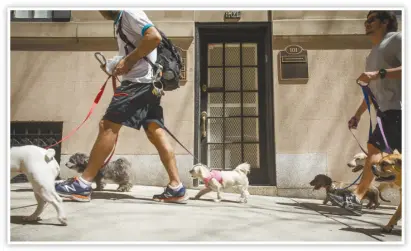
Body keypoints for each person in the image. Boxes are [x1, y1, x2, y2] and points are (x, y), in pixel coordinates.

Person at [55, 10, 188, 203]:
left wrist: (128, 61)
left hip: (138, 83)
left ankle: (83, 184)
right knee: (154, 131)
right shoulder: (122, 20)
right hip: (148, 84)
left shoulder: (129, 12)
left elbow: (153, 37)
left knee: (108, 126)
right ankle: (176, 187)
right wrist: (115, 64)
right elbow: (135, 51)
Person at [328, 11, 402, 215]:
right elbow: (371, 91)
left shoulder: (398, 39)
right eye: (365, 21)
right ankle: (357, 197)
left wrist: (378, 73)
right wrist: (358, 114)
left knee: (375, 150)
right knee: (374, 150)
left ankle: (358, 197)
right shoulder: (372, 53)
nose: (366, 24)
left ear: (386, 22)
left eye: (371, 20)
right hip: (387, 111)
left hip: (400, 108)